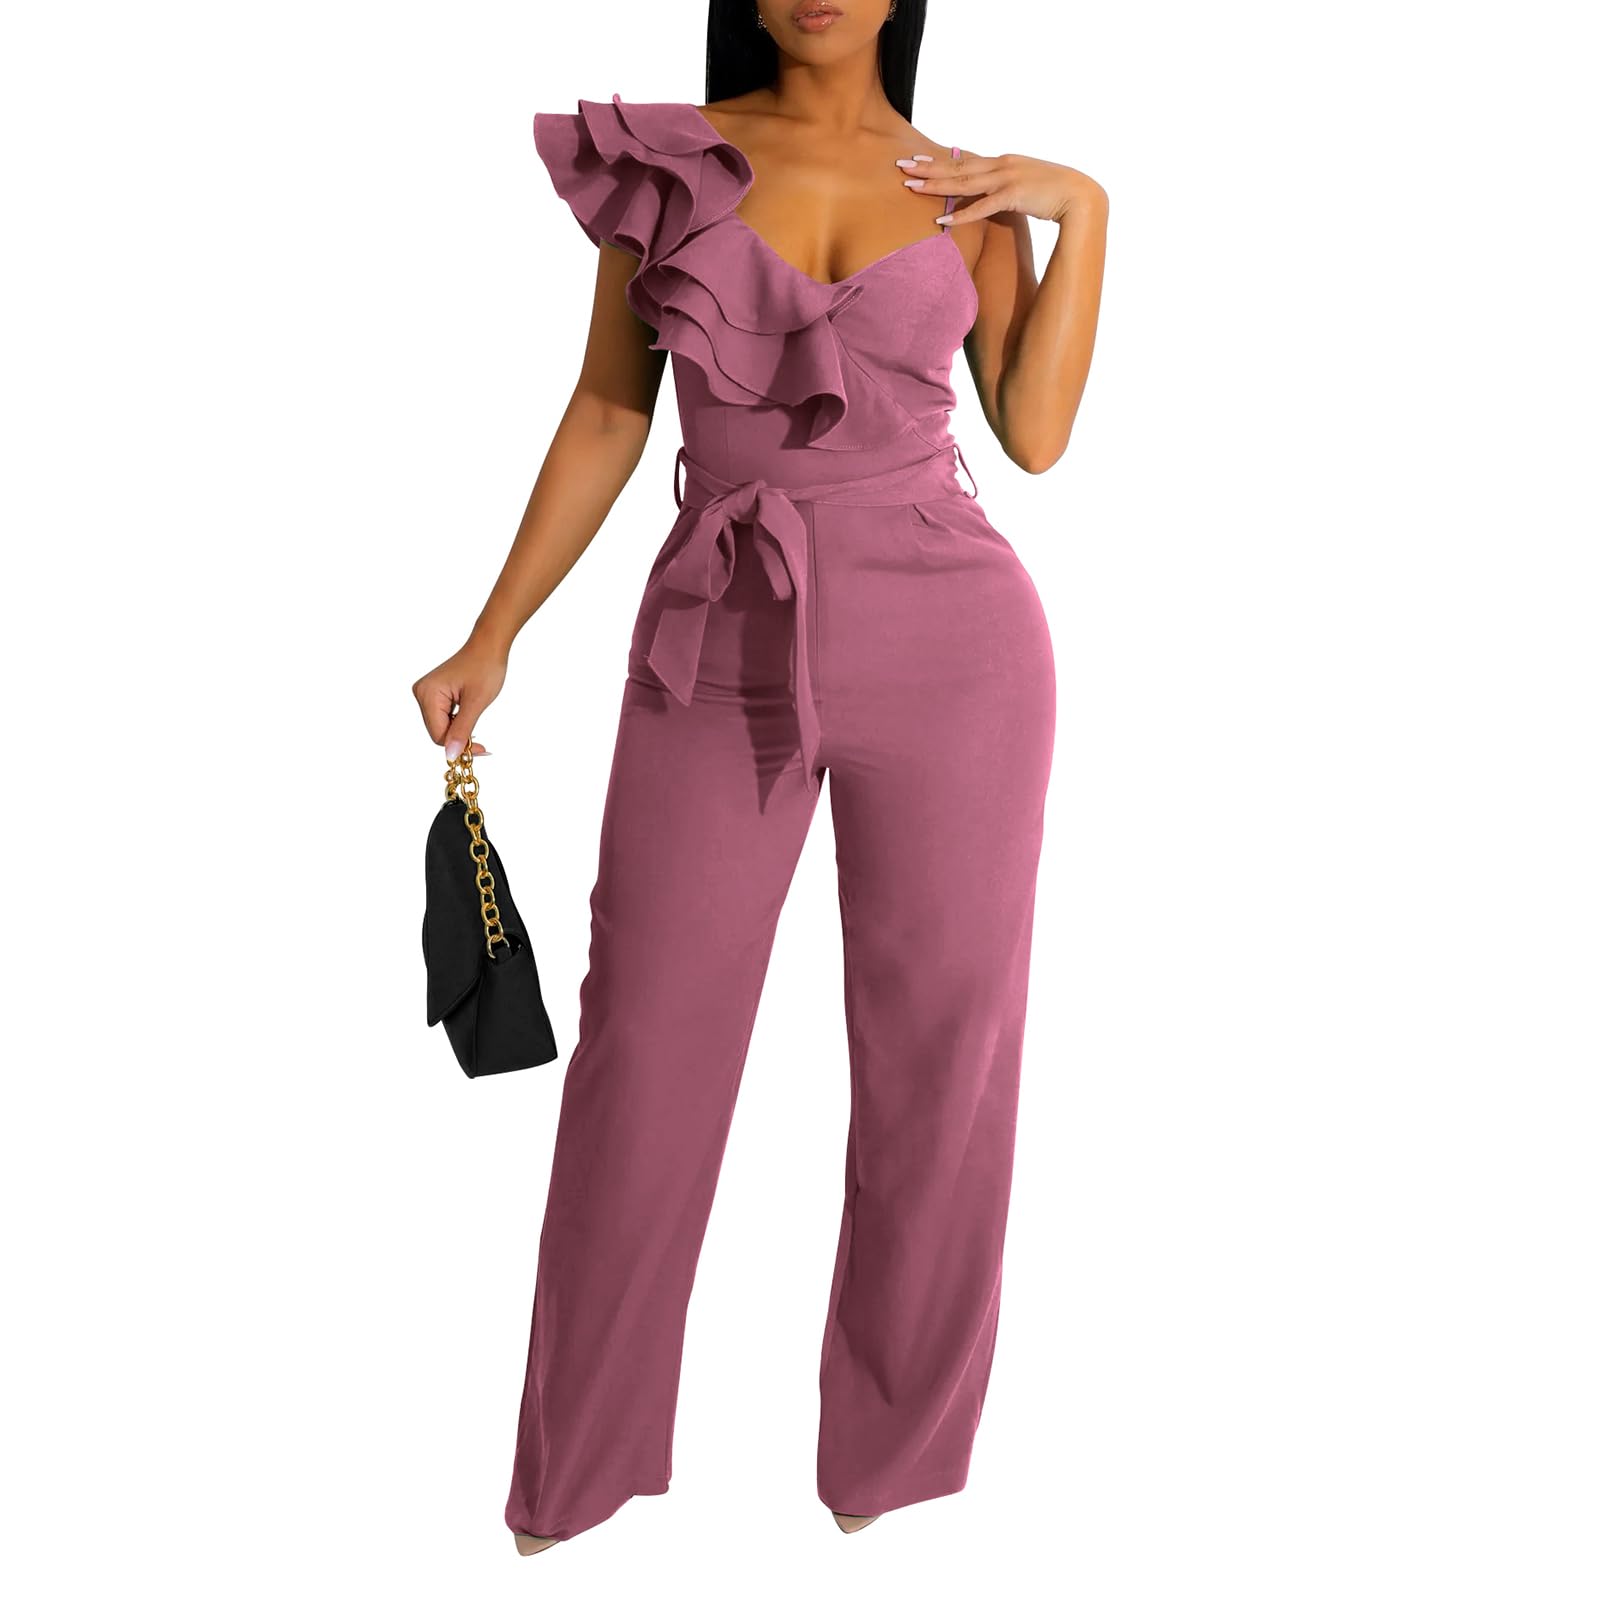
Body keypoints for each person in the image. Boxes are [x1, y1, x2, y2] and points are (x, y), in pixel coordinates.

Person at [411, 0, 1108, 1555]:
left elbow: (1037, 435)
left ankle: (893, 1470)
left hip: (961, 653)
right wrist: (494, 631)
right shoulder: (670, 162)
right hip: (713, 638)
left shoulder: (966, 191)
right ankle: (574, 1476)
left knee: (943, 1063)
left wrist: (1085, 209)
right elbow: (610, 408)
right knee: (645, 1051)